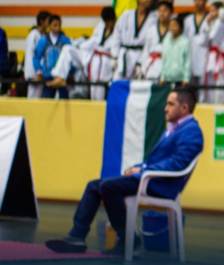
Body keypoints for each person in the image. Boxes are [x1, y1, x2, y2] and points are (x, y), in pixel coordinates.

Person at [44, 87, 203, 255]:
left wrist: (143, 170)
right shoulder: (174, 128)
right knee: (94, 185)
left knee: (107, 187)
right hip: (151, 178)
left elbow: (177, 163)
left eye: (170, 104)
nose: (165, 108)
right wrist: (140, 168)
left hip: (160, 184)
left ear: (184, 108)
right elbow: (157, 161)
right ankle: (77, 236)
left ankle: (131, 242)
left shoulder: (192, 131)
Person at [48, 7, 118, 101]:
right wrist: (79, 45)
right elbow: (92, 41)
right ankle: (60, 77)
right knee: (68, 49)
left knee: (97, 93)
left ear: (114, 19)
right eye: (105, 21)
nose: (107, 24)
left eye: (109, 21)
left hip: (104, 63)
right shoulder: (101, 26)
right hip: (90, 56)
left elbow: (116, 49)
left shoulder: (118, 30)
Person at [113, 0, 156, 80]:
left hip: (140, 55)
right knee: (117, 82)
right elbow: (116, 35)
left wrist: (143, 62)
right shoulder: (126, 15)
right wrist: (114, 56)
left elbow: (150, 43)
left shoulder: (153, 18)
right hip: (124, 55)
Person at [184, 0, 218, 96]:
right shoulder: (188, 20)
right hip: (191, 57)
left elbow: (213, 38)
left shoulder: (211, 19)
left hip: (205, 58)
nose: (197, 2)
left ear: (206, 0)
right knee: (190, 91)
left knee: (204, 91)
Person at [34, 15, 71, 99]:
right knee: (47, 102)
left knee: (63, 101)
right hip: (48, 76)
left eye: (59, 25)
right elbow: (36, 56)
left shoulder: (65, 40)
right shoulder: (43, 40)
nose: (57, 28)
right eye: (55, 25)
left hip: (62, 77)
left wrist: (71, 72)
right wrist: (39, 71)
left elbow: (70, 58)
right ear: (49, 25)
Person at [141, 1, 172, 81]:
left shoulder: (173, 31)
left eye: (165, 11)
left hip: (167, 64)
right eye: (160, 11)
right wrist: (143, 67)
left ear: (171, 13)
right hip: (152, 65)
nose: (162, 13)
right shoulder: (151, 29)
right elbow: (146, 50)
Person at [24, 10, 50, 99]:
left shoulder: (43, 35)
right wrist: (33, 75)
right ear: (42, 21)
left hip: (41, 73)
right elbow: (30, 55)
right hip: (34, 74)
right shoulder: (34, 35)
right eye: (48, 21)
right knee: (33, 99)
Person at [159, 17, 191, 86]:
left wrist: (186, 78)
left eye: (175, 25)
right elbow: (164, 60)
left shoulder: (185, 42)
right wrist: (162, 76)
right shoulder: (166, 41)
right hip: (167, 78)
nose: (172, 28)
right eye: (170, 25)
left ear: (181, 28)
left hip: (180, 79)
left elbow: (187, 61)